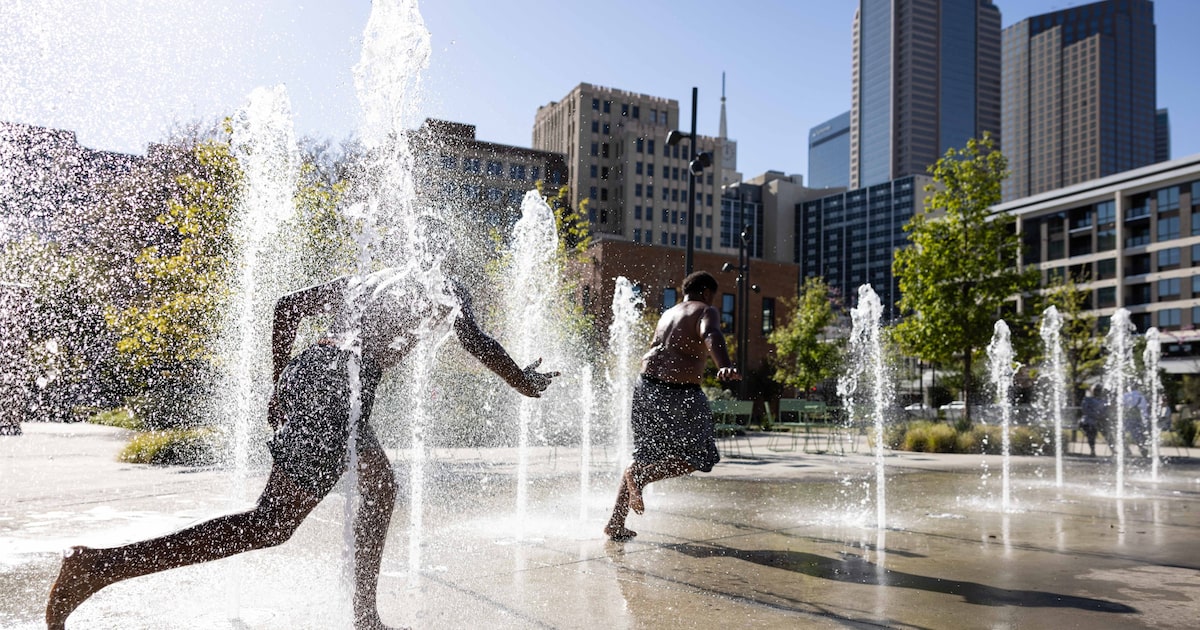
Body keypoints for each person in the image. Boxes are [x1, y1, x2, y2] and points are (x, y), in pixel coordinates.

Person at [45, 217, 559, 630]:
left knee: (380, 487)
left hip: (321, 376)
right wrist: (523, 382)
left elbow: (286, 308)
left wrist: (279, 383)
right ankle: (96, 567)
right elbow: (476, 341)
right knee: (270, 525)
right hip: (338, 387)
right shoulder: (445, 282)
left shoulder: (372, 279)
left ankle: (363, 615)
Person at [604, 271, 740, 542]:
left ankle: (616, 523)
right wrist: (723, 363)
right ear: (705, 292)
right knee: (700, 455)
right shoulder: (705, 310)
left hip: (645, 386)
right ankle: (640, 478)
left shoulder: (668, 314)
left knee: (644, 454)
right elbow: (710, 333)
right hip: (679, 392)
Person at [1078, 385, 1107, 456]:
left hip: (1101, 420)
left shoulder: (1104, 400)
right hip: (1089, 420)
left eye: (1099, 390)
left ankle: (1115, 450)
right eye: (1096, 390)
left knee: (1108, 431)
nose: (1097, 392)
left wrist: (1102, 416)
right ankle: (1092, 450)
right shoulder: (1087, 399)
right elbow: (1085, 410)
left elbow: (1106, 410)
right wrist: (1096, 416)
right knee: (1091, 431)